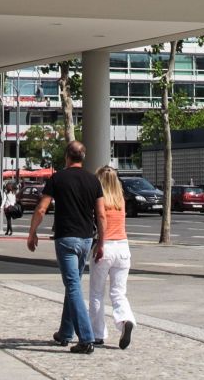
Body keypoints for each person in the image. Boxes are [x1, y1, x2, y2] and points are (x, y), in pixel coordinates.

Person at [25, 140, 101, 355]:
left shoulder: (57, 178)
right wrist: (101, 241)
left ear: (67, 156)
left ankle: (86, 338)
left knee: (73, 287)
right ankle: (65, 333)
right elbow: (101, 214)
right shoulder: (93, 180)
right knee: (73, 285)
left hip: (66, 239)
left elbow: (41, 209)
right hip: (87, 239)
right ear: (82, 157)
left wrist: (32, 233)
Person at [87, 166, 136, 351]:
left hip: (105, 246)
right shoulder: (120, 200)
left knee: (97, 293)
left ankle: (97, 334)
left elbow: (98, 220)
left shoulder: (99, 200)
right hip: (123, 247)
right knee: (118, 292)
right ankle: (126, 320)